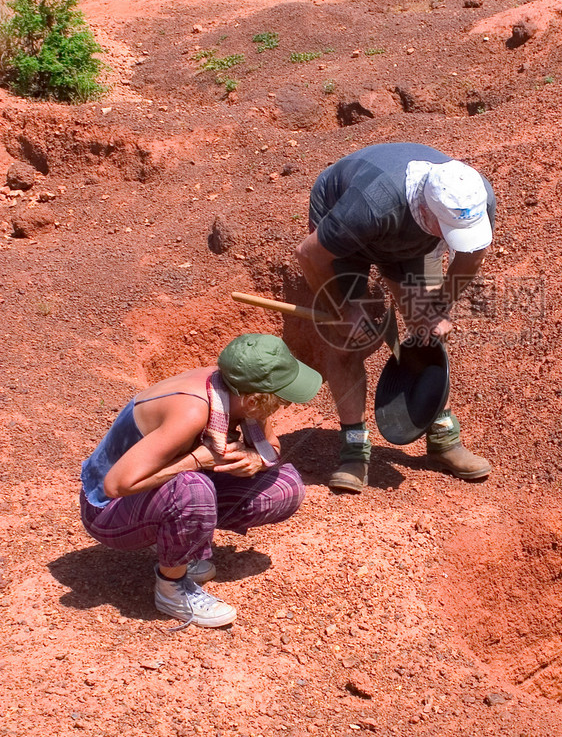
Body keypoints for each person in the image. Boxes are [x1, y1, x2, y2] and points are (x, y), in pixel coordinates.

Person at [79, 333, 322, 628]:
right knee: (193, 488)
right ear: (256, 398)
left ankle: (183, 547)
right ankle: (172, 588)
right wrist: (197, 460)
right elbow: (116, 485)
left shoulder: (236, 390)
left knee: (286, 485)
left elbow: (272, 447)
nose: (285, 405)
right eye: (281, 398)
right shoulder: (193, 410)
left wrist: (255, 459)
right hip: (107, 510)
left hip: (155, 491)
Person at [296, 141, 496, 493]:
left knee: (426, 332)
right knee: (346, 339)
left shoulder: (473, 198)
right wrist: (343, 308)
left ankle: (443, 439)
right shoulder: (369, 205)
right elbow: (310, 255)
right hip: (347, 222)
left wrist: (439, 308)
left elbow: (470, 259)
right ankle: (353, 447)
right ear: (428, 209)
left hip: (411, 239)